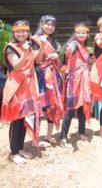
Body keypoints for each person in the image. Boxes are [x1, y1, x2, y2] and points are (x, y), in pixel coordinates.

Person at [1, 20, 43, 164]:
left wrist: (40, 46)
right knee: (16, 120)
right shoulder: (10, 48)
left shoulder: (29, 46)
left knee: (25, 118)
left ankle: (19, 149)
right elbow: (17, 67)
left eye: (24, 31)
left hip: (28, 87)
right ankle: (13, 152)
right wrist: (25, 51)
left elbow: (34, 64)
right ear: (14, 32)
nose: (21, 34)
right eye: (18, 31)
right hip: (15, 88)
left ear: (28, 32)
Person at [32, 15, 64, 146]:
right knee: (38, 107)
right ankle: (35, 139)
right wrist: (43, 46)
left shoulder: (55, 43)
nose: (50, 27)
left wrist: (56, 56)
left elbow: (60, 64)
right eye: (47, 24)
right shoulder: (34, 40)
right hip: (39, 76)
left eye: (52, 25)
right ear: (41, 24)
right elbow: (36, 61)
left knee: (53, 106)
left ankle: (48, 136)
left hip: (54, 77)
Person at [60, 23, 91, 147]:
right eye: (78, 32)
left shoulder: (85, 46)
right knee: (70, 109)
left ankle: (81, 132)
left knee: (82, 107)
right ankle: (63, 138)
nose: (81, 34)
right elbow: (68, 52)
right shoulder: (74, 44)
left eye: (83, 32)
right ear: (75, 33)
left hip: (84, 79)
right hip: (74, 80)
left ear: (87, 34)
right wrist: (69, 51)